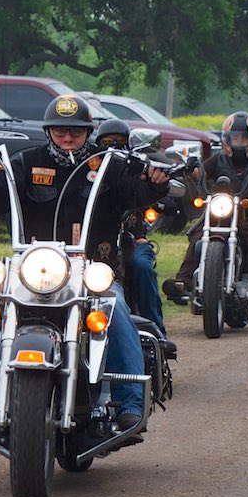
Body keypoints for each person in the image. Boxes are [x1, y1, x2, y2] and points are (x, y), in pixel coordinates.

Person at [0, 94, 169, 434]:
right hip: (32, 272)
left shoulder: (108, 164)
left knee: (116, 308)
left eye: (75, 132)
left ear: (88, 132)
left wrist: (154, 181)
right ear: (49, 131)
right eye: (60, 131)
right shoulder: (26, 163)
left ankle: (130, 406)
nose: (67, 138)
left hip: (92, 271)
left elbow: (134, 190)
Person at [164, 111, 248, 306]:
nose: (239, 142)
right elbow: (200, 172)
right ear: (227, 138)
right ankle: (183, 283)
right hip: (218, 216)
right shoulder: (218, 160)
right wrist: (189, 167)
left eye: (244, 138)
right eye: (235, 137)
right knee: (198, 236)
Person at [96, 118, 170, 337]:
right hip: (100, 243)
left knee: (141, 266)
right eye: (107, 142)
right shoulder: (90, 174)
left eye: (119, 141)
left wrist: (159, 186)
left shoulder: (138, 169)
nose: (113, 147)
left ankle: (157, 332)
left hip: (135, 241)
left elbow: (158, 190)